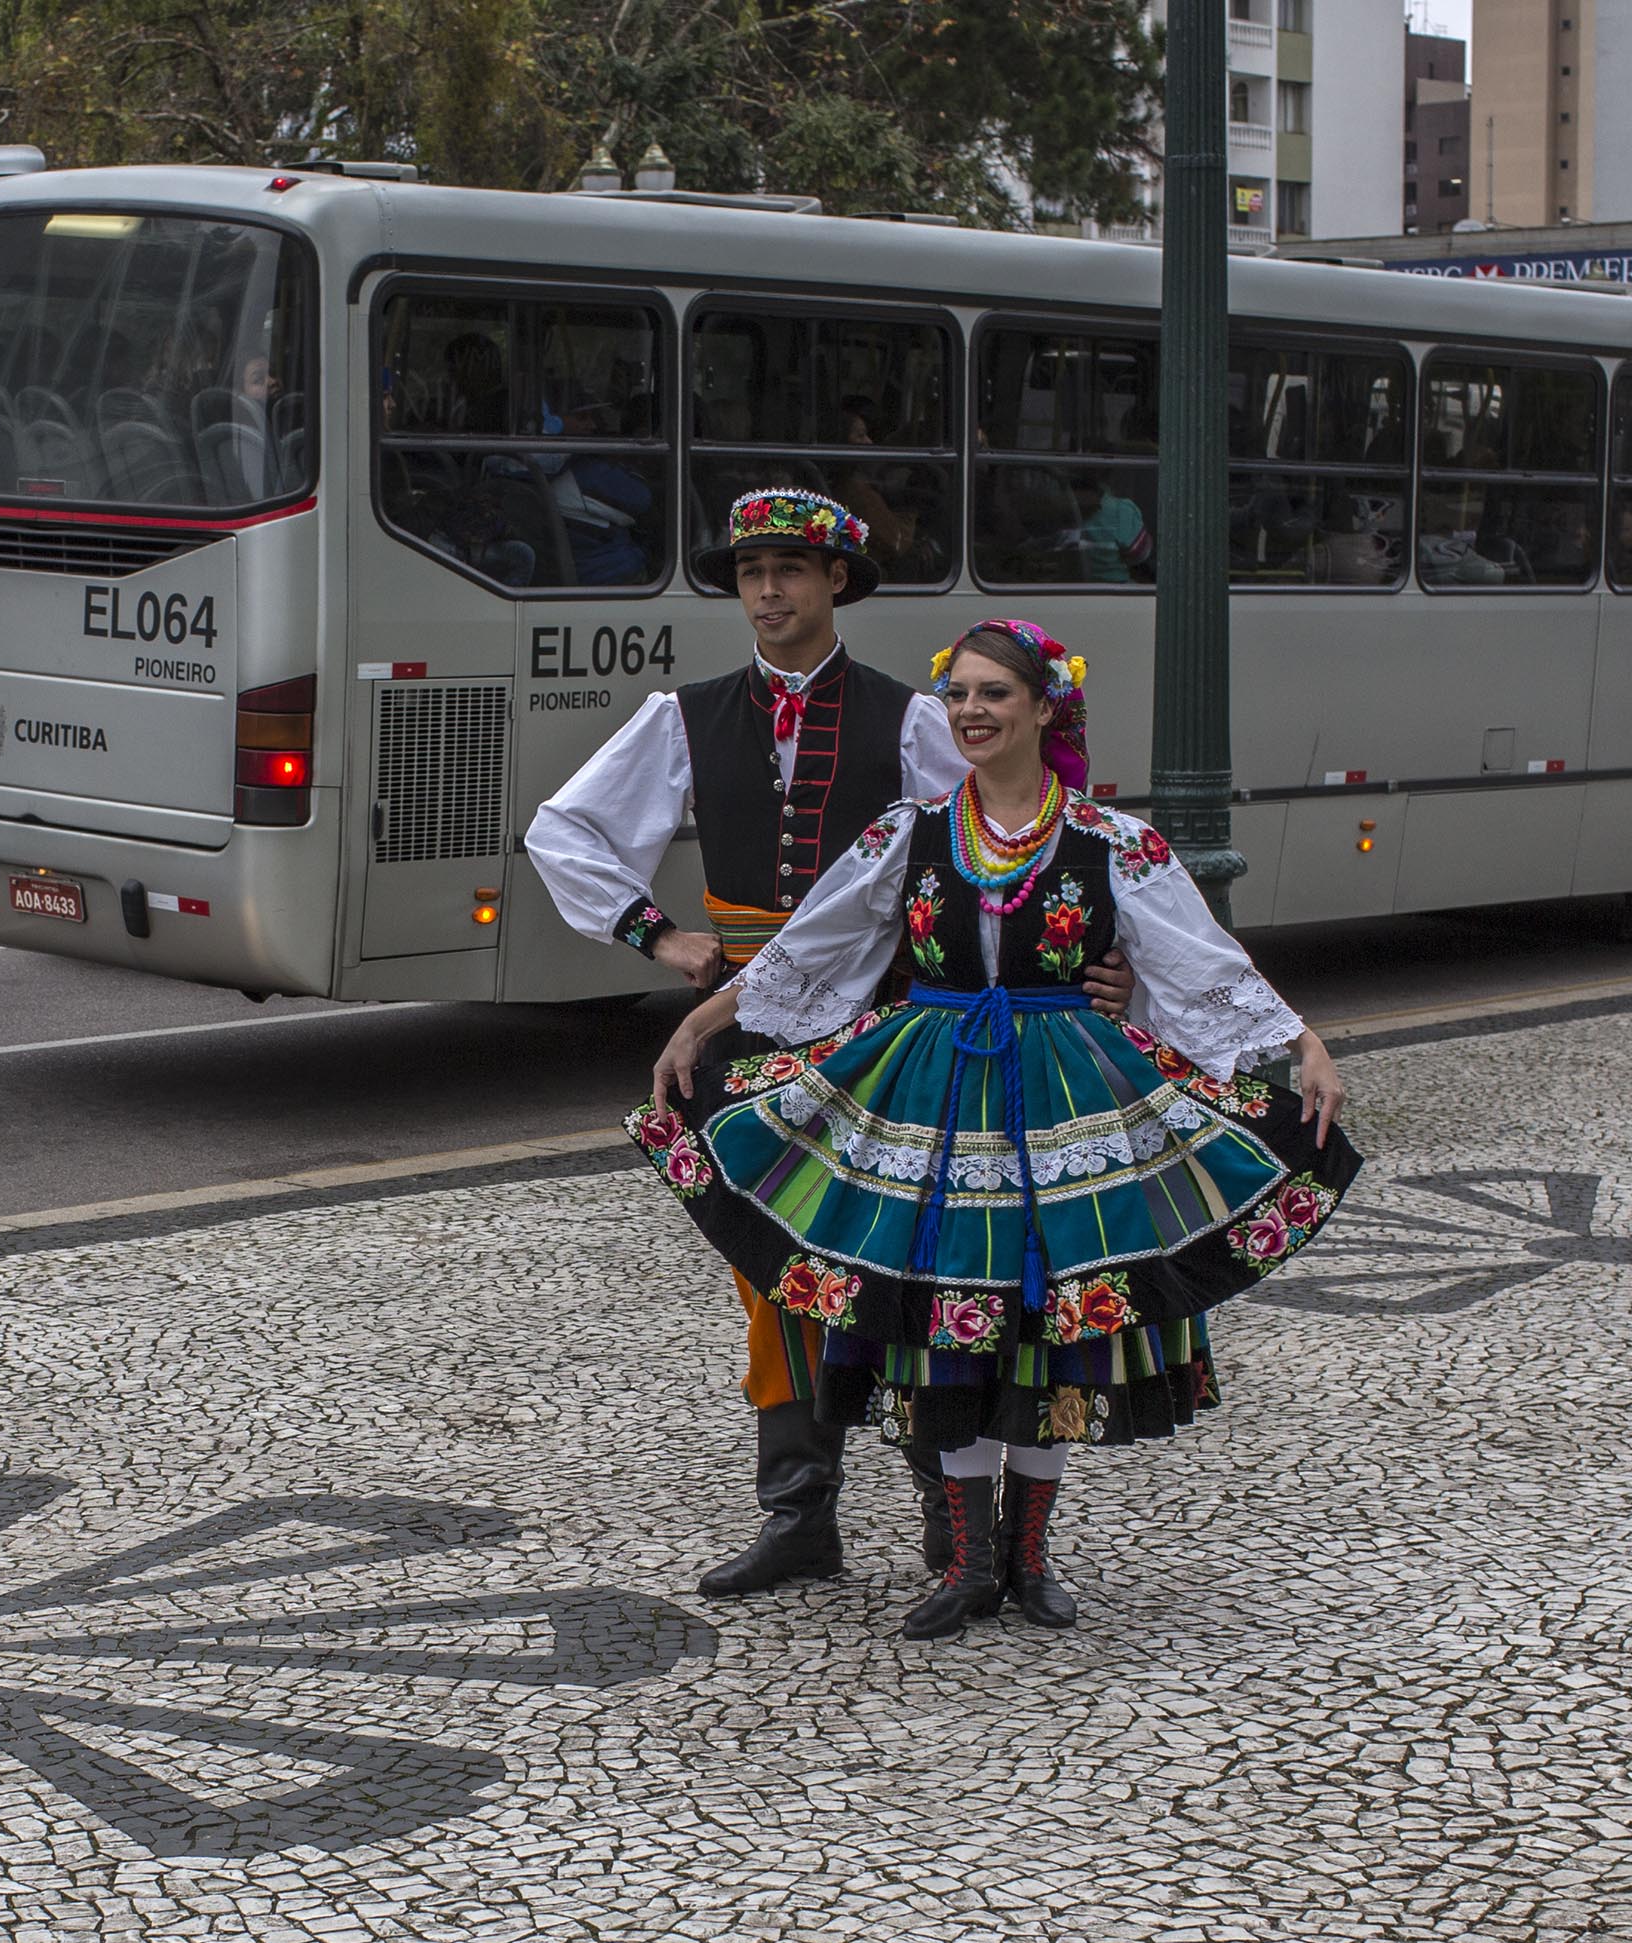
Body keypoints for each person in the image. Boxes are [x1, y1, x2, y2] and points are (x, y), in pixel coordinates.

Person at [638, 619, 1360, 1638]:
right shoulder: (912, 832)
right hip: (933, 1093)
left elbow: (1199, 959)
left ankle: (1029, 1556)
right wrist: (701, 1023)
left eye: (995, 695)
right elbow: (815, 946)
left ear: (1043, 708)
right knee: (946, 1318)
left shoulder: (1115, 842)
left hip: (1065, 1099)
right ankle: (968, 1563)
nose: (972, 712)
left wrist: (1302, 1045)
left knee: (1049, 1317)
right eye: (961, 695)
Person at [530, 490, 1128, 1598]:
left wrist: (1089, 957)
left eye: (792, 570)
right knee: (769, 1277)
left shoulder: (911, 719)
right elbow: (561, 827)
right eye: (752, 570)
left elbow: (1002, 845)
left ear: (837, 582)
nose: (768, 590)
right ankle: (798, 1514)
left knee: (895, 1266)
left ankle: (944, 1516)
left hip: (878, 1034)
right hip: (744, 1020)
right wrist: (658, 935)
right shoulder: (685, 714)